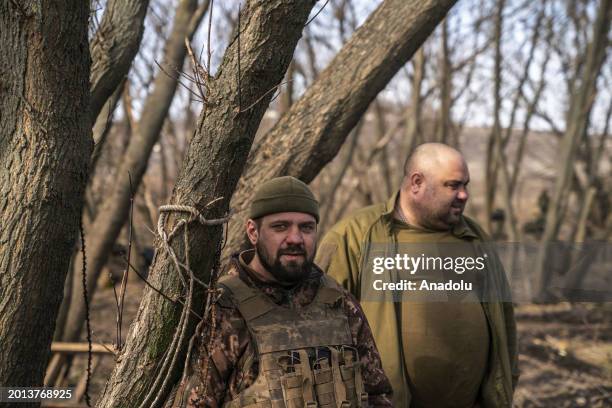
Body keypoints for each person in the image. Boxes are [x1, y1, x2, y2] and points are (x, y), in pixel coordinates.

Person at [316, 143, 519, 407]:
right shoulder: (353, 236)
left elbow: (504, 319)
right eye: (453, 185)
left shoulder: (475, 237)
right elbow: (319, 329)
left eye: (465, 185)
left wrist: (505, 381)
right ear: (416, 183)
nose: (464, 195)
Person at [172, 176, 393, 408]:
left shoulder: (339, 302)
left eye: (306, 227)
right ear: (253, 232)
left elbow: (378, 394)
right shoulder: (224, 309)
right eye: (280, 227)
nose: (295, 238)